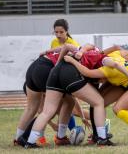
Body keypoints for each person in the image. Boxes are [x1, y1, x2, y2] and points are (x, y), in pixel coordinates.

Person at [14, 19, 87, 147]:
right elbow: (61, 61)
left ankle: (18, 138)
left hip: (35, 67)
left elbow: (57, 53)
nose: (58, 35)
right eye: (56, 32)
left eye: (61, 32)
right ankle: (57, 137)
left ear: (67, 32)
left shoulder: (72, 43)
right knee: (56, 107)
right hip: (46, 71)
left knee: (33, 108)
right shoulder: (74, 49)